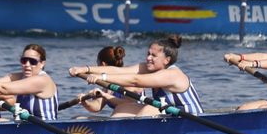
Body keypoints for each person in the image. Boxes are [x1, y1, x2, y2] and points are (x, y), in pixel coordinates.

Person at [69, 35, 202, 116]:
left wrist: (102, 77)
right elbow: (119, 71)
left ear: (167, 60)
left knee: (149, 109)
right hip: (171, 118)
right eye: (148, 54)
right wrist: (85, 69)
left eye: (153, 55)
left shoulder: (172, 74)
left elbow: (135, 80)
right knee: (123, 108)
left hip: (191, 123)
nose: (148, 58)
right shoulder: (149, 68)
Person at [77, 45, 127, 114]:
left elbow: (128, 103)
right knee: (78, 118)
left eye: (97, 64)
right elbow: (98, 106)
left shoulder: (127, 80)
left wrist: (104, 95)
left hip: (135, 115)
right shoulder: (108, 85)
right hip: (121, 116)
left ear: (103, 65)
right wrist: (85, 102)